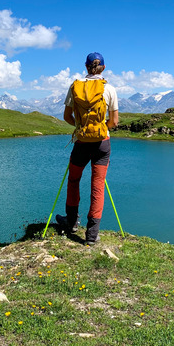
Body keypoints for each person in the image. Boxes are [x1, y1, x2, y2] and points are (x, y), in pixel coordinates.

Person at [56, 52, 119, 244]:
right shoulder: (109, 89)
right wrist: (100, 129)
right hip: (102, 144)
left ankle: (72, 223)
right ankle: (92, 236)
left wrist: (82, 129)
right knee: (97, 187)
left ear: (86, 66)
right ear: (104, 68)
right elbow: (114, 122)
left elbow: (67, 116)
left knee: (74, 180)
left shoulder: (75, 86)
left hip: (81, 143)